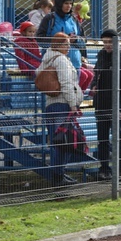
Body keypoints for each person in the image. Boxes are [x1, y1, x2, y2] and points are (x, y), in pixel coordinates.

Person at [37, 32, 84, 187]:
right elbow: (66, 84)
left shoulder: (47, 59)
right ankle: (58, 176)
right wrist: (72, 104)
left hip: (51, 104)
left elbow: (38, 74)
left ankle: (59, 173)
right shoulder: (61, 60)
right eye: (65, 44)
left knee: (60, 141)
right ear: (57, 45)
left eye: (69, 44)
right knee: (64, 142)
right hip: (62, 104)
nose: (68, 47)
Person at [91, 29, 121, 182]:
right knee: (102, 139)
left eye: (110, 42)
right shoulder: (101, 57)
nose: (107, 45)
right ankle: (104, 168)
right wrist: (94, 85)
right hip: (101, 104)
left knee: (118, 139)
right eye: (105, 42)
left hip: (116, 106)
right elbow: (95, 75)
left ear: (117, 42)